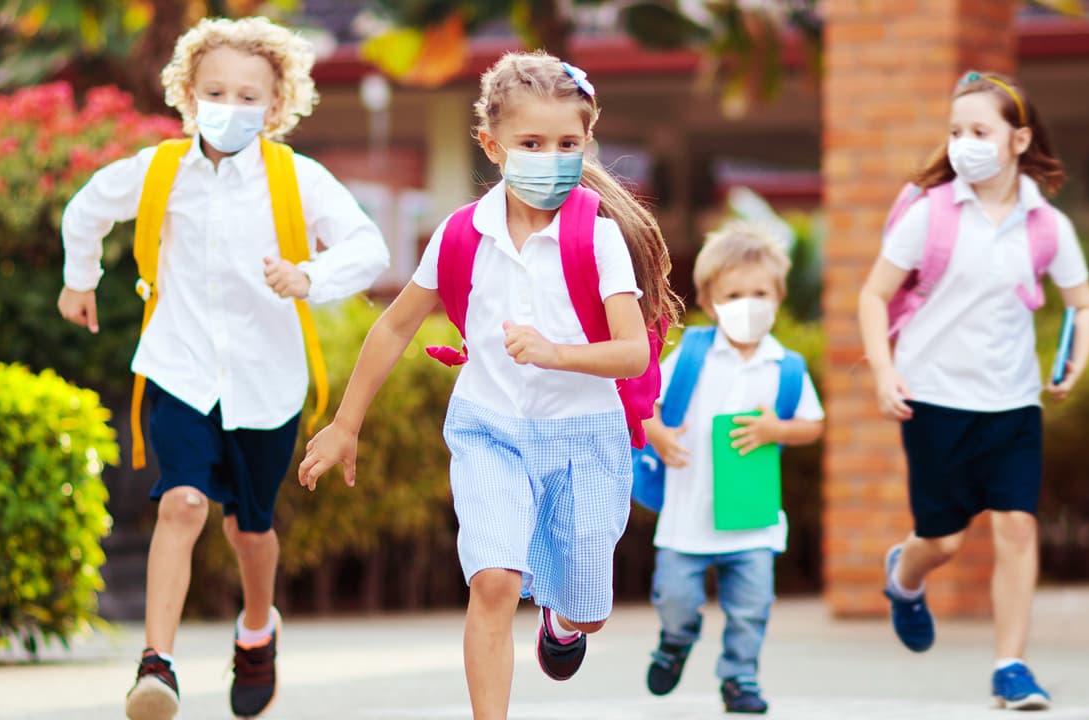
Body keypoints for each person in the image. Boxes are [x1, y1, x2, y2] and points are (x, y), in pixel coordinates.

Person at [297, 51, 681, 720]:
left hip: (585, 437)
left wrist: (556, 354)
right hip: (489, 428)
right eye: (531, 143)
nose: (551, 157)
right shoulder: (460, 235)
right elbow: (393, 329)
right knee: (495, 582)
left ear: (587, 141)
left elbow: (627, 355)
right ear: (492, 145)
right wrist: (345, 423)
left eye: (567, 143)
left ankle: (562, 620)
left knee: (587, 611)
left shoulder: (598, 237)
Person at [57, 16, 390, 720]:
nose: (230, 107)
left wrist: (308, 276)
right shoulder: (158, 171)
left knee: (249, 530)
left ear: (275, 106)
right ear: (187, 93)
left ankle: (257, 630)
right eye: (216, 91)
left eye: (248, 96)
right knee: (181, 504)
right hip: (179, 368)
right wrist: (78, 278)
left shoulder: (296, 179)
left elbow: (368, 248)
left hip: (268, 384)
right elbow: (87, 209)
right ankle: (157, 666)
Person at [857, 70, 1089, 711]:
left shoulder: (1047, 225)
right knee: (942, 541)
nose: (965, 143)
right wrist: (885, 373)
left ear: (1019, 140)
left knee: (1018, 527)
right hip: (934, 398)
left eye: (980, 130)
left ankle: (1012, 666)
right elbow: (873, 294)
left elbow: (1085, 303)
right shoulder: (931, 213)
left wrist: (1075, 360)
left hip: (1014, 402)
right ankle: (904, 579)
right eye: (956, 130)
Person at [642, 222, 824, 714]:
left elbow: (812, 424)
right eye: (734, 293)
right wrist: (656, 434)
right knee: (676, 597)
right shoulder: (693, 354)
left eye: (760, 292)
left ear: (779, 296)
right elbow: (645, 403)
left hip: (753, 518)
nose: (749, 303)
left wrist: (777, 430)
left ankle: (740, 678)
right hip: (687, 516)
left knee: (752, 609)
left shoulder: (786, 366)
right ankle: (676, 640)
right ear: (709, 299)